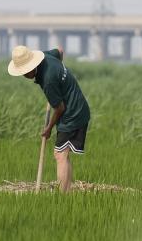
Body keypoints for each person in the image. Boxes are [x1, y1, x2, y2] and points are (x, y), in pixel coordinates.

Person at [8, 45, 90, 192]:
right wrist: (61, 77)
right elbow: (60, 50)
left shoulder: (48, 80)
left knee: (60, 154)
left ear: (32, 67)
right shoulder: (46, 56)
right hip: (75, 108)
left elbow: (60, 108)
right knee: (63, 153)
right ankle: (67, 192)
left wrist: (48, 129)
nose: (24, 75)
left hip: (73, 113)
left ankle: (63, 196)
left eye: (25, 72)